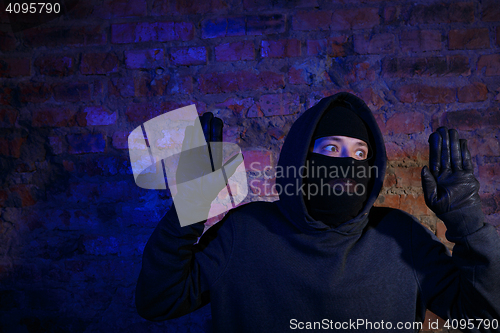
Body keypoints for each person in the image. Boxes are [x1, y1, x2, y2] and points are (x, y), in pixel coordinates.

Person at [135, 92, 500, 332]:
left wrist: (468, 222)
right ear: (302, 156)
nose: (347, 163)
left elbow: (486, 316)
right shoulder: (245, 232)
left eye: (360, 153)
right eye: (331, 147)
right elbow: (158, 299)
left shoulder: (401, 237)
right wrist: (190, 206)